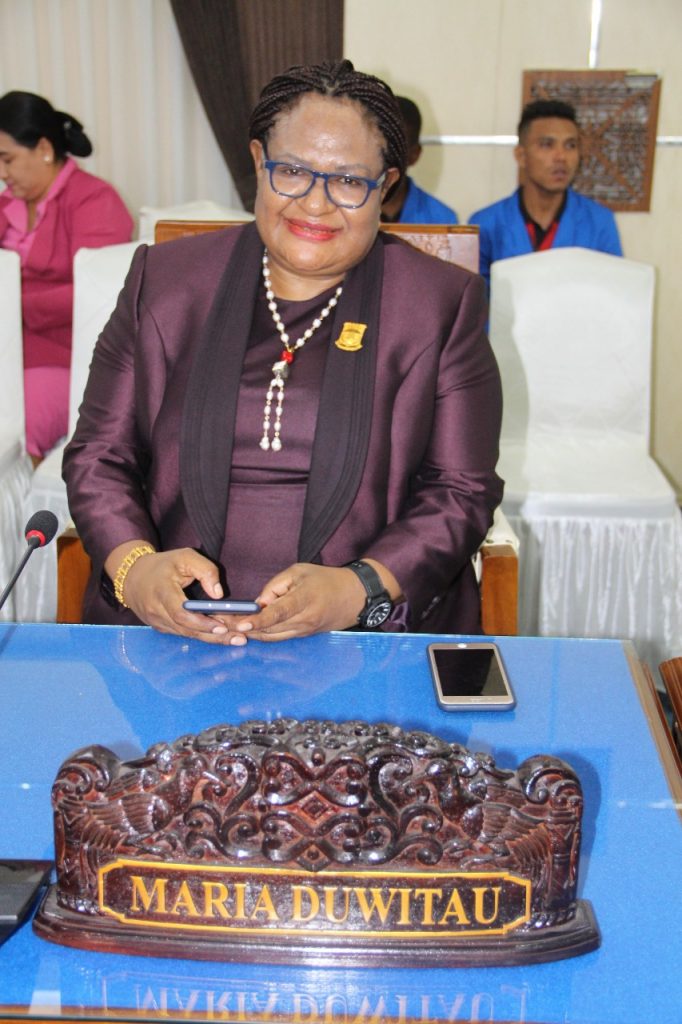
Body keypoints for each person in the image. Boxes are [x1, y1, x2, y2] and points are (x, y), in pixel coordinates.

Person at [63, 59, 502, 645]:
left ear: (386, 187)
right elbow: (99, 454)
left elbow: (462, 490)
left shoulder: (440, 305)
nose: (315, 204)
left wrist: (360, 588)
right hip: (173, 630)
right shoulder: (163, 282)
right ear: (257, 163)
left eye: (349, 181)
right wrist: (134, 568)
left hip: (361, 636)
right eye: (292, 171)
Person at [0, 91, 134, 460]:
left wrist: (14, 304)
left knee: (10, 432)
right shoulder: (6, 204)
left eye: (7, 159)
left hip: (66, 358)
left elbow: (97, 296)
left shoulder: (95, 200)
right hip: (9, 348)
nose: (2, 173)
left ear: (44, 149)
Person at [469, 99, 622, 290]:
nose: (561, 157)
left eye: (570, 145)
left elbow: (613, 295)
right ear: (521, 156)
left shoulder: (599, 222)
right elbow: (474, 301)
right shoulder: (485, 224)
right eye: (547, 145)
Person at [381, 96, 458, 224]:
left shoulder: (441, 220)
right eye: (380, 146)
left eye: (398, 148)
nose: (386, 156)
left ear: (414, 155)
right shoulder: (349, 208)